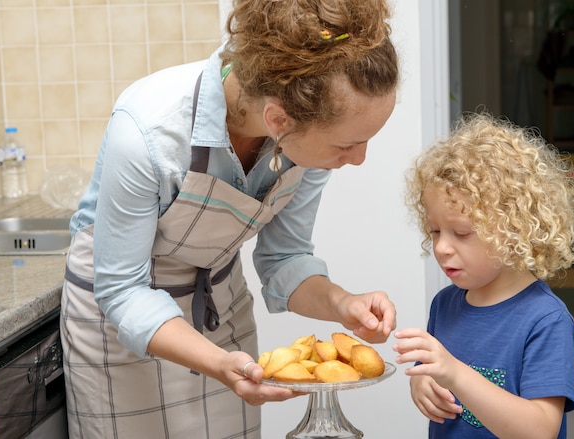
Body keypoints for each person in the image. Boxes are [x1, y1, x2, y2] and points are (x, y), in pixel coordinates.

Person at [60, 0, 398, 437]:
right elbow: (122, 289)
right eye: (347, 145)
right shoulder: (150, 131)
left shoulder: (304, 142)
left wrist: (341, 304)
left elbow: (285, 258)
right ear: (279, 121)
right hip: (122, 322)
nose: (358, 159)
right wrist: (218, 363)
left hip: (219, 307)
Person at [394, 113, 574, 438]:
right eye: (436, 230)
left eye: (462, 233)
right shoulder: (444, 305)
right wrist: (422, 384)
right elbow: (434, 376)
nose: (441, 247)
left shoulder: (546, 321)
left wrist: (455, 373)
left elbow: (540, 430)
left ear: (514, 230)